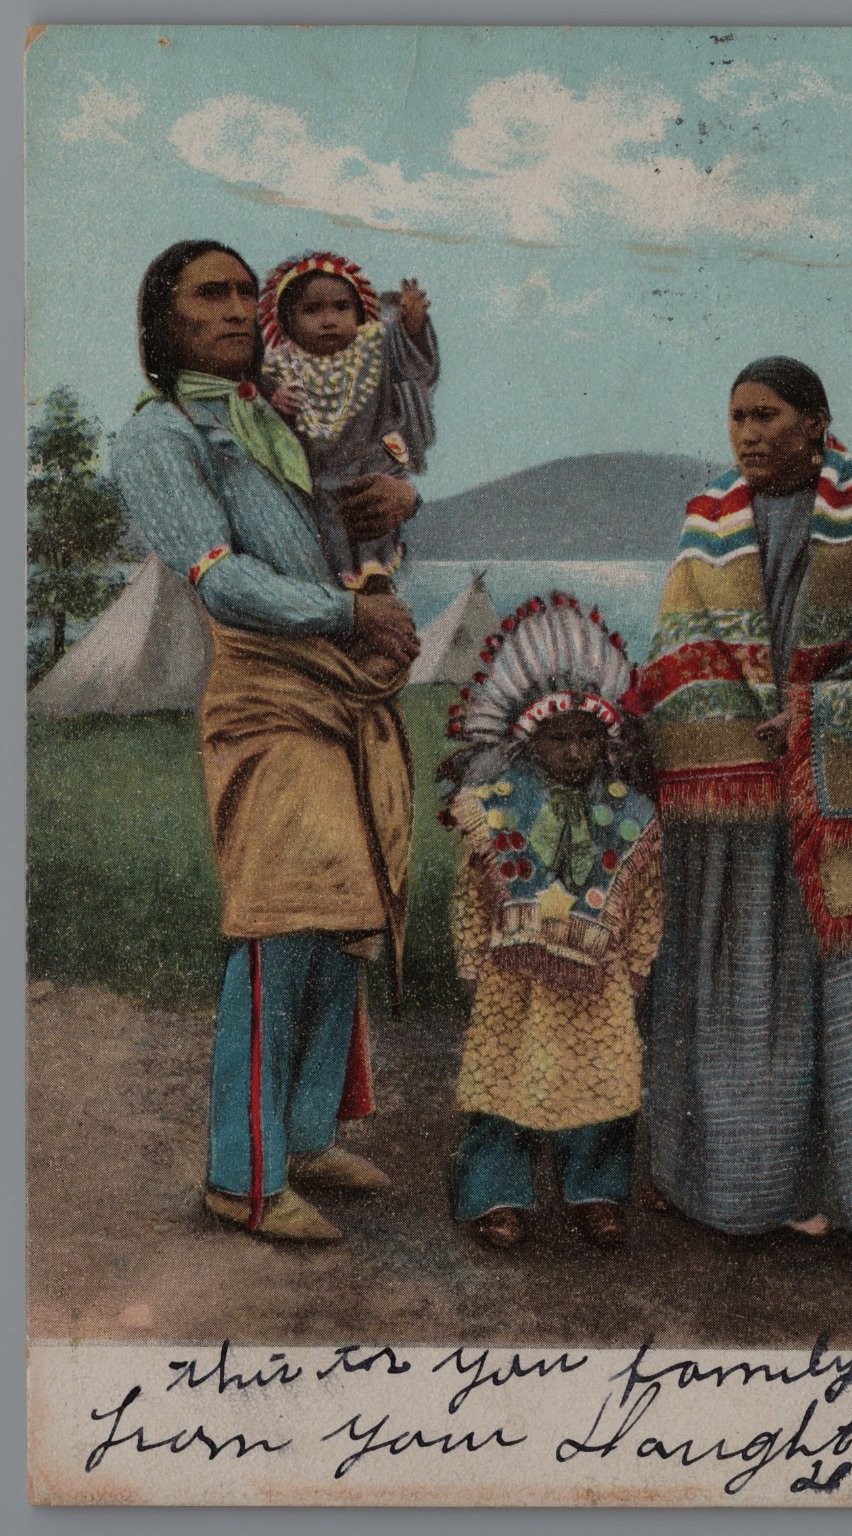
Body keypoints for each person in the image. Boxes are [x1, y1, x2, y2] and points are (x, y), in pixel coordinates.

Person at [111, 239, 421, 1243]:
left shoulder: (279, 413)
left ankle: (303, 1135)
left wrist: (402, 498)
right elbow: (221, 579)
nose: (238, 308)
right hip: (264, 696)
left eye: (247, 292)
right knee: (285, 921)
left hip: (337, 692)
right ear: (163, 321)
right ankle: (240, 1176)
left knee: (345, 918)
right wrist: (349, 614)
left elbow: (358, 508)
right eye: (211, 293)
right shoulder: (162, 435)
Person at [623, 357, 852, 1240]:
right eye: (736, 417)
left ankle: (838, 1189)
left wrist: (814, 715)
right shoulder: (708, 523)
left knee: (823, 991)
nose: (747, 433)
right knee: (729, 985)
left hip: (825, 811)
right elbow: (680, 649)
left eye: (766, 415)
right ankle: (728, 1185)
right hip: (731, 811)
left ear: (815, 423)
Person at [442, 593, 662, 1250]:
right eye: (558, 738)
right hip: (515, 978)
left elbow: (645, 895)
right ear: (529, 740)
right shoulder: (495, 807)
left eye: (586, 737)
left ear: (606, 739)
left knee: (602, 1084)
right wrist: (471, 959)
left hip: (598, 978)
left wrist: (638, 963)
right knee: (505, 1083)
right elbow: (471, 893)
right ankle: (495, 1193)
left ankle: (595, 1192)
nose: (573, 753)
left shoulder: (631, 813)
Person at [258, 251, 438, 620]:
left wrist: (413, 324)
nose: (329, 320)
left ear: (359, 313)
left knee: (369, 536)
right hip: (312, 482)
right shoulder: (278, 365)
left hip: (367, 474)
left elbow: (412, 363)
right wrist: (273, 395)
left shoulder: (374, 349)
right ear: (287, 321)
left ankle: (374, 588)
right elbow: (251, 395)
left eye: (342, 308)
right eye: (312, 310)